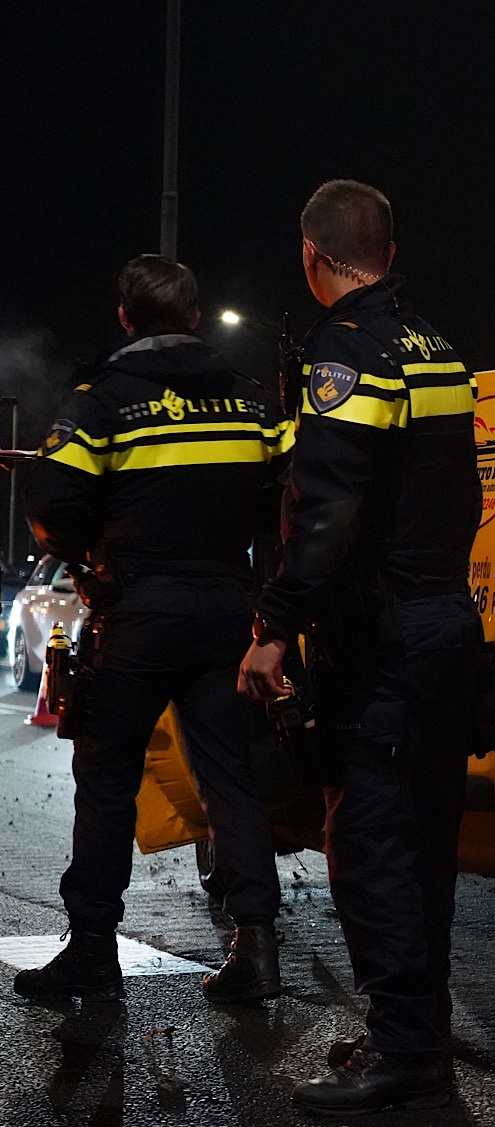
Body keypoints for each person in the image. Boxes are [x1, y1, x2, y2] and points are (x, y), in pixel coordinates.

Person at [239, 180, 482, 1116]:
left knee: (371, 840)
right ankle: (420, 1030)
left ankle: (404, 1049)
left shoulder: (346, 352)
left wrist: (274, 625)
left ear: (313, 255)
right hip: (444, 620)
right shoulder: (436, 346)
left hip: (381, 636)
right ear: (388, 250)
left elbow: (330, 507)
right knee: (425, 840)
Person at [15, 255, 288, 1005]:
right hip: (226, 611)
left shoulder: (101, 401)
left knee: (107, 782)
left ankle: (92, 951)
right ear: (195, 317)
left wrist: (89, 558)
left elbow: (52, 505)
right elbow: (291, 496)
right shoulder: (252, 400)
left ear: (125, 318)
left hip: (136, 613)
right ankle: (257, 947)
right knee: (229, 777)